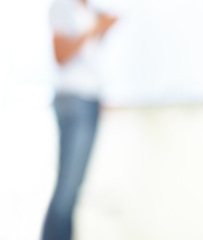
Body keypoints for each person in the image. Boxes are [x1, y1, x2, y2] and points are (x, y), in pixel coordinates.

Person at [42, 0, 117, 239]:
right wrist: (96, 28)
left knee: (72, 192)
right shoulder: (63, 6)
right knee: (67, 190)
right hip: (75, 102)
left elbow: (90, 57)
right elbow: (61, 55)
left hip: (90, 100)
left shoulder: (90, 10)